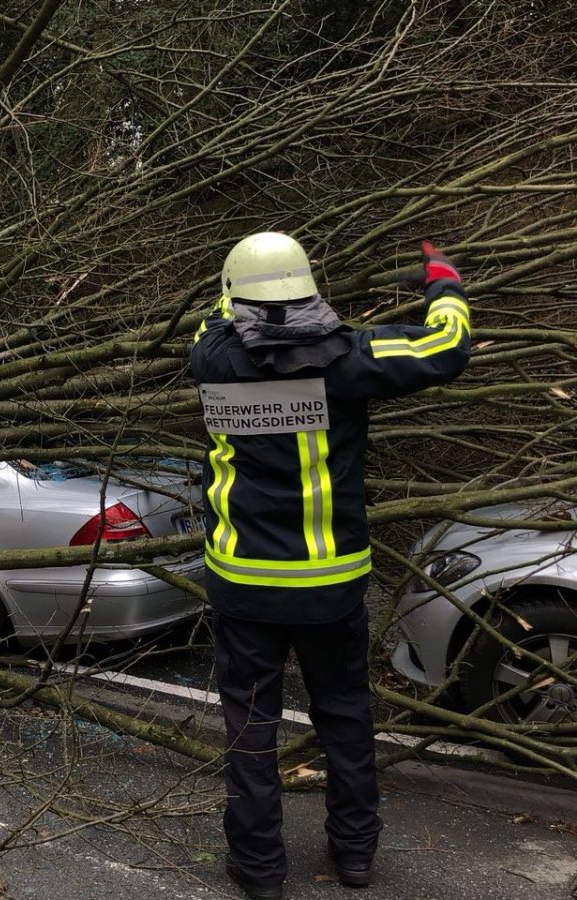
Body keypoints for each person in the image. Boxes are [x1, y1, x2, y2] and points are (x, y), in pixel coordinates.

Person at [189, 234, 471, 900]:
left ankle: (258, 871)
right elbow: (444, 347)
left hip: (245, 582)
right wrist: (444, 284)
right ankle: (354, 855)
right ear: (307, 290)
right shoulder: (350, 359)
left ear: (236, 298)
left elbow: (216, 314)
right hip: (329, 583)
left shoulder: (210, 357)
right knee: (344, 715)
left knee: (251, 729)